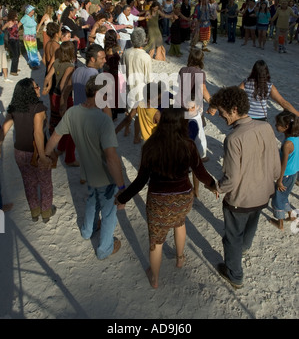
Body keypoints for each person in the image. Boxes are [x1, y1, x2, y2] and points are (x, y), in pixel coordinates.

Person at [115, 107, 216, 288]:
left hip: (158, 200)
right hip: (183, 197)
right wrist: (212, 185)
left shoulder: (150, 146)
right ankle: (180, 258)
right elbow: (201, 172)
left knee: (156, 240)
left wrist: (123, 198)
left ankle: (154, 278)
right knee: (180, 223)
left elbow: (140, 181)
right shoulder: (189, 145)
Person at [44, 75, 125, 259]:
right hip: (105, 176)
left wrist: (45, 155)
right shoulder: (103, 121)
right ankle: (104, 249)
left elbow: (55, 137)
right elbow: (111, 159)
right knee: (109, 212)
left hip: (87, 171)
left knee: (91, 200)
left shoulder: (73, 112)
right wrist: (122, 188)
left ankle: (87, 230)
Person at [209, 86, 281, 289]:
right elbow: (275, 165)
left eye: (222, 112)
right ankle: (246, 247)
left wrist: (218, 187)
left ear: (233, 109)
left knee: (232, 237)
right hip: (263, 193)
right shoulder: (265, 127)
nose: (221, 117)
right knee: (252, 223)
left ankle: (235, 274)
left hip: (241, 199)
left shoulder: (233, 138)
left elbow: (231, 178)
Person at [0, 78, 56, 222]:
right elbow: (38, 133)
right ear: (30, 91)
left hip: (19, 151)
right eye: (36, 87)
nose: (38, 88)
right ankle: (46, 212)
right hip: (36, 151)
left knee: (28, 182)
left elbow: (3, 130)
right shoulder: (38, 108)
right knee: (45, 183)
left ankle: (34, 211)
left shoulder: (14, 107)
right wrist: (43, 156)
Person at [42, 41, 78, 166]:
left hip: (54, 96)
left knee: (62, 124)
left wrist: (46, 87)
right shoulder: (70, 66)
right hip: (64, 97)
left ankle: (61, 148)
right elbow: (63, 85)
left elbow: (47, 77)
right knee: (71, 128)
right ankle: (70, 158)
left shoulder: (56, 62)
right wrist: (65, 100)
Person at [270, 111, 299, 230]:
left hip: (285, 176)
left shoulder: (287, 144)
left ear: (286, 127)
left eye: (278, 124)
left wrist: (279, 180)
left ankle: (280, 223)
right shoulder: (296, 138)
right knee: (284, 196)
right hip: (293, 174)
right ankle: (291, 216)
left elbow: (283, 164)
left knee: (277, 199)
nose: (276, 125)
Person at [19, 5, 40, 69]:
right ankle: (34, 64)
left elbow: (34, 24)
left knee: (33, 50)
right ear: (29, 11)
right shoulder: (25, 18)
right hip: (28, 36)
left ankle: (32, 62)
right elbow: (18, 25)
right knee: (31, 50)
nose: (33, 11)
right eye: (32, 10)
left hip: (33, 36)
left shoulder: (32, 17)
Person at [2, 10, 21, 76]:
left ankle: (15, 67)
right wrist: (5, 33)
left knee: (18, 54)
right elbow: (2, 28)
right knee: (15, 55)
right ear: (13, 15)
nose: (17, 16)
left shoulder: (15, 22)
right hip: (12, 40)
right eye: (16, 15)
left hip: (17, 39)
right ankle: (13, 71)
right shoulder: (9, 23)